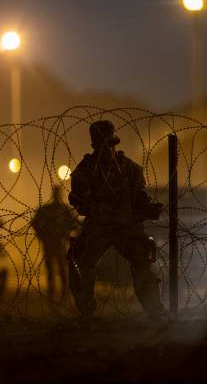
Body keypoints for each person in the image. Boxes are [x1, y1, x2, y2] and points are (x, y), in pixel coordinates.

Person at [67, 120, 165, 320]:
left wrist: (147, 208)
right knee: (81, 262)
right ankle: (86, 310)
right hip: (99, 228)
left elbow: (139, 196)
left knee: (142, 264)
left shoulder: (130, 169)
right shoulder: (84, 171)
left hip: (126, 228)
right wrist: (97, 209)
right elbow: (80, 202)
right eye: (104, 145)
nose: (108, 149)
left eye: (111, 145)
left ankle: (155, 311)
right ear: (95, 146)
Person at [31, 186, 79, 302]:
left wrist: (67, 236)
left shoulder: (63, 210)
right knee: (52, 270)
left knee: (61, 270)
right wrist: (43, 237)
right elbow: (35, 223)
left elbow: (74, 225)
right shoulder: (50, 210)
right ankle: (54, 294)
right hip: (51, 243)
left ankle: (62, 295)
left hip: (59, 243)